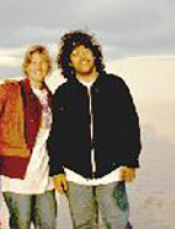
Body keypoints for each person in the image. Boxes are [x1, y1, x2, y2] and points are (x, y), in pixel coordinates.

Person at [47, 30, 141, 229]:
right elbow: (57, 135)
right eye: (74, 54)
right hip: (75, 175)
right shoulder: (64, 93)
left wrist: (130, 160)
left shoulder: (115, 85)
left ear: (94, 54)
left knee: (117, 222)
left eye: (85, 50)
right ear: (69, 63)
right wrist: (57, 170)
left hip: (111, 171)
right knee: (83, 224)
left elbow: (130, 124)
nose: (82, 57)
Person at [0, 45, 57, 229]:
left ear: (48, 67)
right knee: (20, 224)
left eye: (43, 62)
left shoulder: (50, 97)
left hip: (44, 176)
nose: (38, 67)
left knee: (48, 224)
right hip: (16, 176)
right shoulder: (9, 91)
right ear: (26, 66)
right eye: (33, 62)